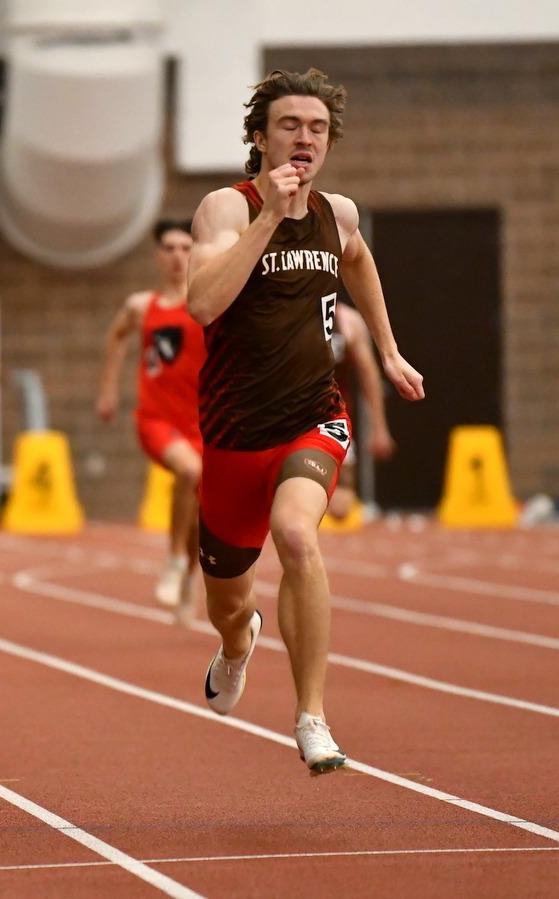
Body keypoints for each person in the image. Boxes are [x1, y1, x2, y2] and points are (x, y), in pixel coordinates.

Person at [186, 69, 424, 775]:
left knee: (296, 534)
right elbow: (202, 303)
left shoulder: (338, 214)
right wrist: (267, 218)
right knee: (228, 603)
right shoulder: (224, 211)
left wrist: (387, 348)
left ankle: (312, 714)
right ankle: (237, 644)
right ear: (260, 137)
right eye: (290, 125)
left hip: (312, 417)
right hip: (233, 434)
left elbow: (359, 261)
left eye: (317, 129)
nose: (304, 139)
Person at [95, 220, 205, 620]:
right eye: (171, 248)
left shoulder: (208, 303)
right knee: (190, 473)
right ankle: (175, 559)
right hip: (157, 420)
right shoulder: (143, 306)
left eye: (186, 248)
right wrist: (108, 390)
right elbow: (116, 336)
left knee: (200, 505)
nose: (178, 256)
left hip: (204, 423)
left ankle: (189, 577)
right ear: (159, 257)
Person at [325, 303, 396, 522]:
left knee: (341, 507)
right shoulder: (284, 311)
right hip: (290, 417)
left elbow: (369, 375)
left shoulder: (347, 321)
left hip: (331, 420)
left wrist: (379, 427)